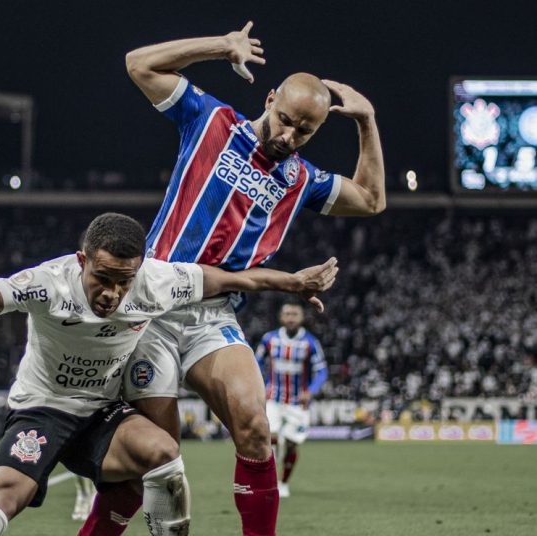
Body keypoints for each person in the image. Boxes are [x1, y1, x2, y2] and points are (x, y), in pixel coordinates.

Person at [81, 22, 385, 536]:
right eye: (285, 120)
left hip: (213, 316)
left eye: (304, 131)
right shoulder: (210, 120)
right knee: (154, 458)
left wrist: (367, 123)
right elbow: (139, 63)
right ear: (269, 99)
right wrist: (221, 47)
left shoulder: (301, 178)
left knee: (255, 426)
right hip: (151, 304)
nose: (289, 136)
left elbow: (372, 200)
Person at [0, 212, 338, 536]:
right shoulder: (48, 283)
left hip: (102, 414)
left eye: (123, 281)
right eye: (101, 278)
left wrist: (291, 283)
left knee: (164, 454)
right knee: (4, 497)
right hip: (43, 410)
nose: (111, 293)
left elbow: (231, 279)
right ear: (82, 260)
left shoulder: (156, 281)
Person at [254, 301, 328, 498]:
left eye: (295, 314)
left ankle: (283, 482)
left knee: (293, 443)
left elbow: (321, 371)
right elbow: (255, 362)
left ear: (301, 317)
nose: (291, 318)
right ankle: (269, 480)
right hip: (274, 399)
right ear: (281, 317)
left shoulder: (310, 343)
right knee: (271, 437)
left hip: (298, 402)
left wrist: (311, 391)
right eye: (287, 314)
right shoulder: (269, 339)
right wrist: (258, 385)